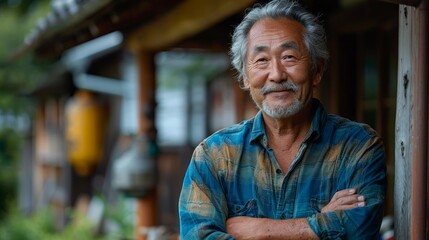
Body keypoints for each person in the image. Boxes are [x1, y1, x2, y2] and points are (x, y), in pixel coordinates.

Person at [178, 0, 387, 239]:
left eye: (289, 57)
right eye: (262, 60)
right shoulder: (215, 155)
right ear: (246, 77)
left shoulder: (357, 147)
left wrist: (257, 230)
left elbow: (358, 231)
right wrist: (320, 225)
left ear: (317, 70)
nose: (276, 74)